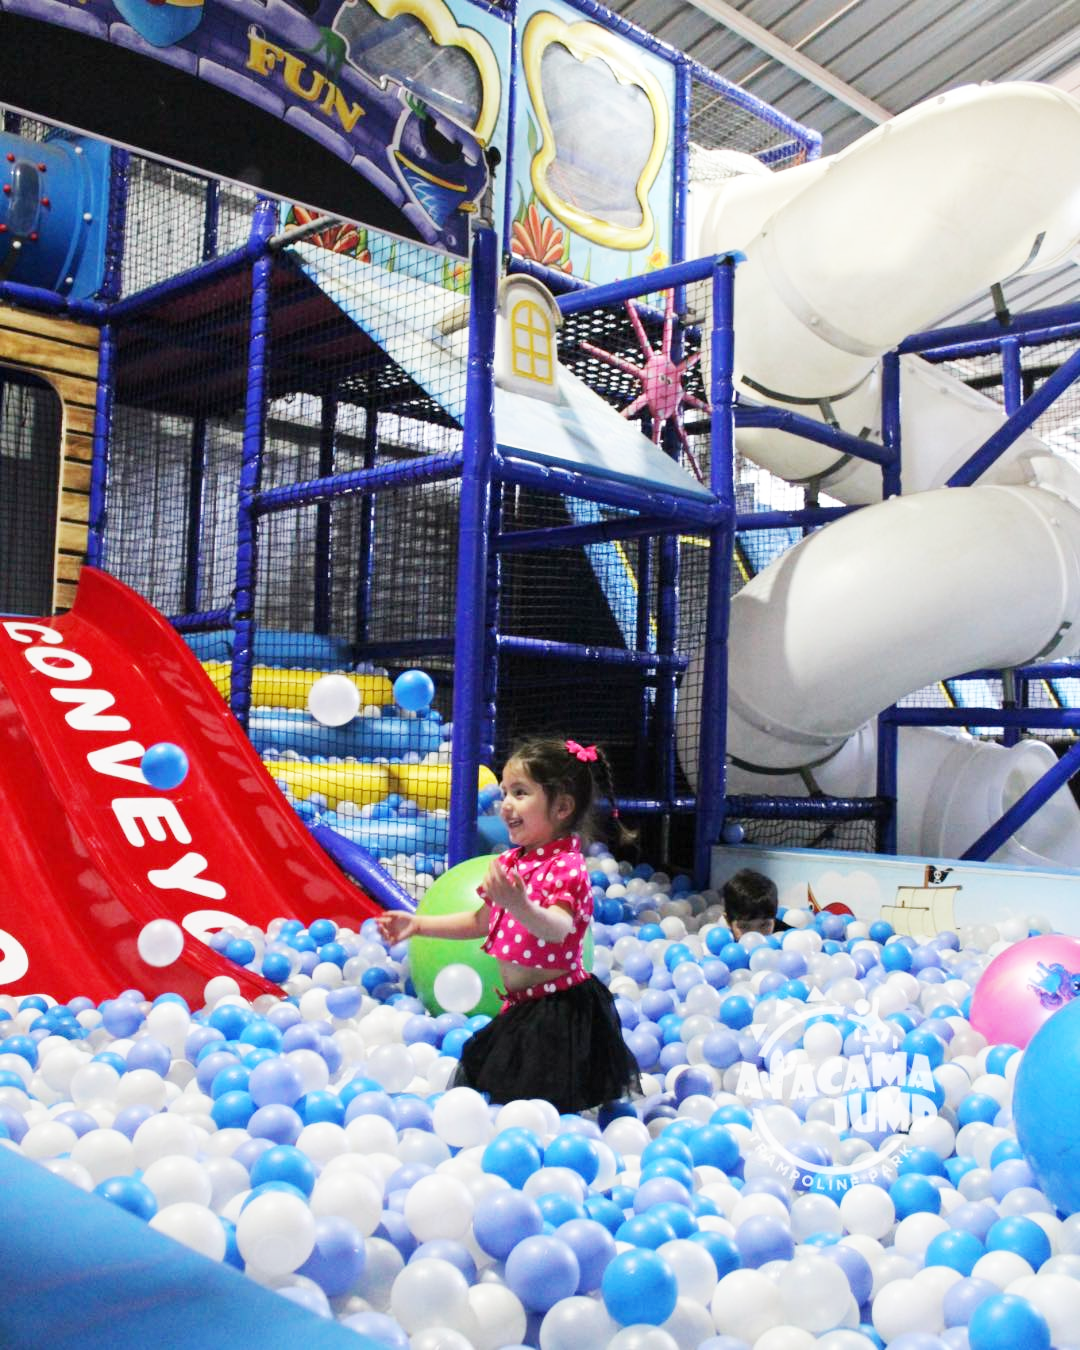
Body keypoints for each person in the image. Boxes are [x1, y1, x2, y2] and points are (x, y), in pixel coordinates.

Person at [376, 736, 641, 1113]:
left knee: (543, 1107)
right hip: (522, 1009)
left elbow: (558, 927)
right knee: (505, 1095)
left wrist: (520, 904)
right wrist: (419, 925)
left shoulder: (565, 866)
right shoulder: (513, 863)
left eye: (520, 792)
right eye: (504, 793)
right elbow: (479, 920)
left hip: (558, 1011)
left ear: (562, 806)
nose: (506, 805)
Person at [722, 866, 786, 937]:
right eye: (744, 926)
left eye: (764, 925)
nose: (756, 935)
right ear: (727, 921)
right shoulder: (718, 942)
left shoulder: (789, 937)